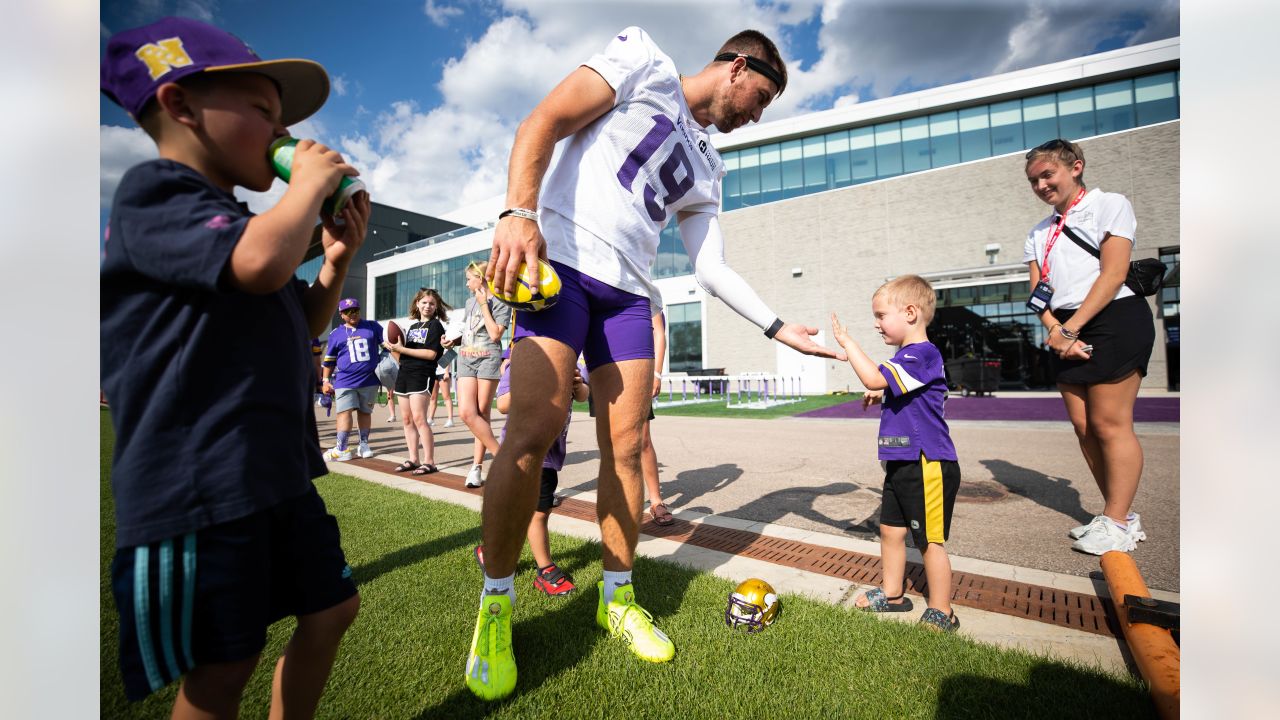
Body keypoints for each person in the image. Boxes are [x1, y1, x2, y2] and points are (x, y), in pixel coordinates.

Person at [466, 26, 843, 701]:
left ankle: (617, 596)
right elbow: (543, 119)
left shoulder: (711, 167)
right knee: (533, 429)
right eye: (760, 98)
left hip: (628, 297)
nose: (757, 115)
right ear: (737, 65)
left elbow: (711, 267)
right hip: (563, 268)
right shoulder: (643, 58)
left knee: (628, 446)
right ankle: (496, 605)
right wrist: (517, 212)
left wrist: (781, 329)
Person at [100, 17, 366, 717]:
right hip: (199, 487)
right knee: (222, 669)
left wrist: (333, 263)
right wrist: (306, 187)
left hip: (271, 474)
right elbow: (256, 263)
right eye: (262, 112)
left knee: (333, 609)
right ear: (181, 105)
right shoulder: (155, 196)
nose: (281, 136)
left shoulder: (239, 221)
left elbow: (298, 319)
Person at [1022, 138, 1154, 555]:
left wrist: (1072, 329)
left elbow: (1113, 274)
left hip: (1112, 319)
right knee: (1084, 428)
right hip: (1065, 328)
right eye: (1034, 180)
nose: (1041, 185)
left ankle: (1117, 520)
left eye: (1048, 174)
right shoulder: (1037, 233)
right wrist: (1056, 329)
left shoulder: (1109, 204)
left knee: (1109, 424)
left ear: (1075, 167)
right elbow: (1036, 294)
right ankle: (1119, 516)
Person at [830, 275, 961, 633]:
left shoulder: (923, 353)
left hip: (928, 463)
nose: (876, 323)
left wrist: (847, 342)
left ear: (910, 312)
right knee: (890, 531)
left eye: (881, 315)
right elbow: (894, 388)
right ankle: (892, 593)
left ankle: (942, 609)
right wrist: (883, 395)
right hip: (903, 464)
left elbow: (873, 377)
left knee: (930, 540)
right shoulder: (906, 358)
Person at [476, 354, 591, 597]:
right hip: (522, 451)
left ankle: (491, 550)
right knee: (535, 513)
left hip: (550, 454)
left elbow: (583, 395)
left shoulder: (569, 359)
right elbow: (503, 404)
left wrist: (577, 384)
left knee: (527, 511)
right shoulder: (521, 359)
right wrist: (539, 383)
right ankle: (546, 570)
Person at [450, 261, 511, 488]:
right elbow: (471, 330)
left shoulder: (502, 302)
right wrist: (453, 341)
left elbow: (495, 334)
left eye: (469, 279)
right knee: (467, 413)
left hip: (488, 358)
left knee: (482, 414)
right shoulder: (468, 303)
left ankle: (476, 468)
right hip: (466, 357)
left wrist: (484, 303)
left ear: (482, 279)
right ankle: (504, 458)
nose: (467, 284)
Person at [383, 288, 449, 475]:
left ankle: (429, 462)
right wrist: (394, 349)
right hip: (404, 373)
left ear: (436, 307)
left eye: (432, 304)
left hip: (422, 375)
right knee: (407, 419)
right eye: (424, 302)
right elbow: (402, 358)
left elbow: (431, 354)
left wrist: (402, 349)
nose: (427, 306)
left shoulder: (436, 326)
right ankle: (413, 459)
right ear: (417, 304)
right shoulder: (411, 328)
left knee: (420, 418)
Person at [321, 298, 384, 461]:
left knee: (365, 412)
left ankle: (363, 444)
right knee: (344, 412)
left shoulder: (372, 326)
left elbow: (388, 346)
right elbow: (329, 361)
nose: (353, 314)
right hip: (345, 380)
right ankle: (341, 448)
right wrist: (325, 380)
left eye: (356, 310)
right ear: (341, 314)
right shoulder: (336, 334)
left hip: (369, 379)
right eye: (348, 312)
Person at [643, 310, 672, 526]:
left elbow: (659, 332)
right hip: (603, 369)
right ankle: (616, 502)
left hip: (636, 368)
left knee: (643, 440)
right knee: (611, 443)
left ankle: (656, 501)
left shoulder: (643, 285)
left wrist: (656, 373)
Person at [427, 353, 456, 428]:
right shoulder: (435, 344)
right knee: (432, 397)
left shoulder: (446, 343)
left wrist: (446, 372)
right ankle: (430, 419)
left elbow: (450, 354)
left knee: (446, 397)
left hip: (443, 372)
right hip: (433, 372)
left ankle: (450, 420)